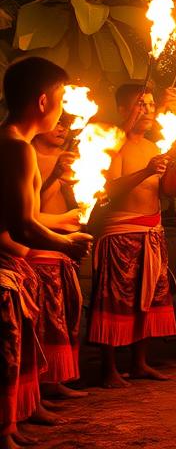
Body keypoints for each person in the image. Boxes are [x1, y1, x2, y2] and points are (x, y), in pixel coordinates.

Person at [0, 57, 92, 448]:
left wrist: (65, 219)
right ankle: (4, 435)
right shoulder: (16, 148)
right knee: (5, 355)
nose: (62, 110)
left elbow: (28, 215)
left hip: (14, 264)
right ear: (42, 101)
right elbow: (20, 226)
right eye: (60, 100)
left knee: (16, 352)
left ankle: (12, 424)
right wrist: (65, 245)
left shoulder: (14, 144)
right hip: (4, 266)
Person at [89, 84, 176, 386]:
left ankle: (139, 363)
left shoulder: (153, 146)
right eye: (141, 104)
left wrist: (172, 157)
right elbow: (107, 191)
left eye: (151, 104)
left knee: (146, 298)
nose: (148, 110)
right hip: (122, 231)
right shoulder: (113, 143)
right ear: (123, 110)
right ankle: (109, 369)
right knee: (115, 300)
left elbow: (171, 189)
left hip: (152, 230)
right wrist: (147, 171)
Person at [29, 118, 85, 399]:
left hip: (63, 248)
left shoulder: (69, 157)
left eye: (66, 123)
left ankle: (55, 380)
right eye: (57, 123)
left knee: (63, 316)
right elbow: (29, 211)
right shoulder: (29, 156)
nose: (62, 128)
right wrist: (62, 220)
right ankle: (38, 385)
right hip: (38, 247)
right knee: (45, 320)